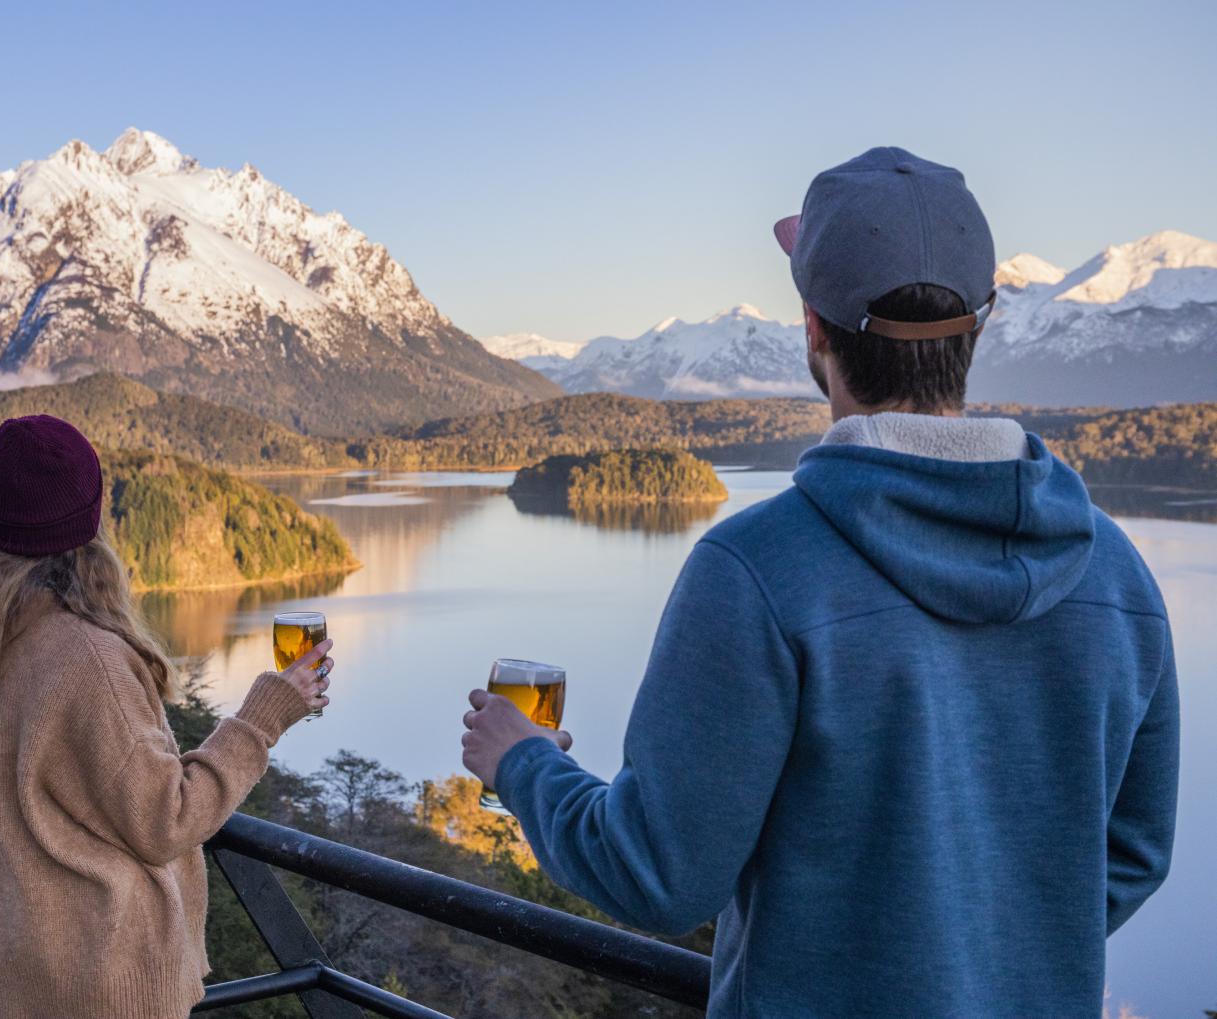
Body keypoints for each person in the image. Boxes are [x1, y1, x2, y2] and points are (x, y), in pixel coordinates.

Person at [461, 147, 1179, 1018]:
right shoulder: (1116, 572)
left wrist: (521, 762)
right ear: (979, 327)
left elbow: (654, 873)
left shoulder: (757, 571)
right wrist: (979, 955)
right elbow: (1134, 853)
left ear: (812, 329)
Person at [0, 414, 333, 1019]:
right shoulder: (87, 655)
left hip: (22, 975)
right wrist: (264, 715)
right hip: (106, 982)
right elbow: (166, 819)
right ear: (90, 513)